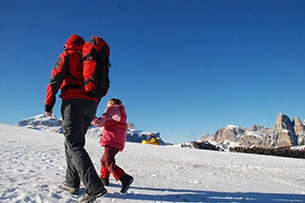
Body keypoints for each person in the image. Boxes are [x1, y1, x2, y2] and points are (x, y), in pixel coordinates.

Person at [44, 34, 107, 203]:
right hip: (91, 104)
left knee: (74, 144)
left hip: (73, 103)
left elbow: (54, 79)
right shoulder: (91, 56)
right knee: (72, 142)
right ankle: (72, 182)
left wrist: (49, 103)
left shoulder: (68, 55)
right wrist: (92, 105)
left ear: (68, 44)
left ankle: (94, 187)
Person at [91, 98, 134, 194]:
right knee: (104, 160)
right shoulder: (122, 115)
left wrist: (90, 116)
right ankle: (104, 178)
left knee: (108, 161)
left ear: (111, 104)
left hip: (110, 141)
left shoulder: (110, 111)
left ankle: (124, 178)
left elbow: (99, 122)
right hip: (118, 143)